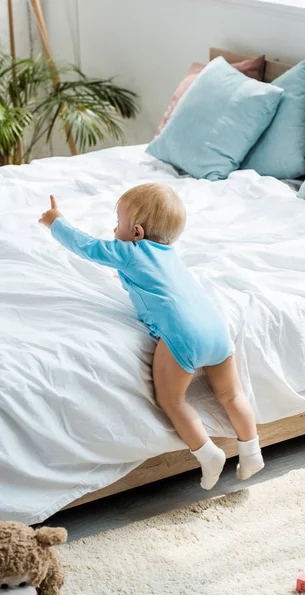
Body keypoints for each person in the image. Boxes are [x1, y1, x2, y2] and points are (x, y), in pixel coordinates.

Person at [39, 183, 264, 489]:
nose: (113, 228)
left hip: (183, 336)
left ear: (137, 233)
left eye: (118, 223)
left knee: (172, 401)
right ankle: (251, 451)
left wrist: (56, 221)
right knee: (232, 395)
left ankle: (208, 453)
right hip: (217, 330)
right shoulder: (170, 256)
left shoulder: (131, 252)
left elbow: (87, 246)